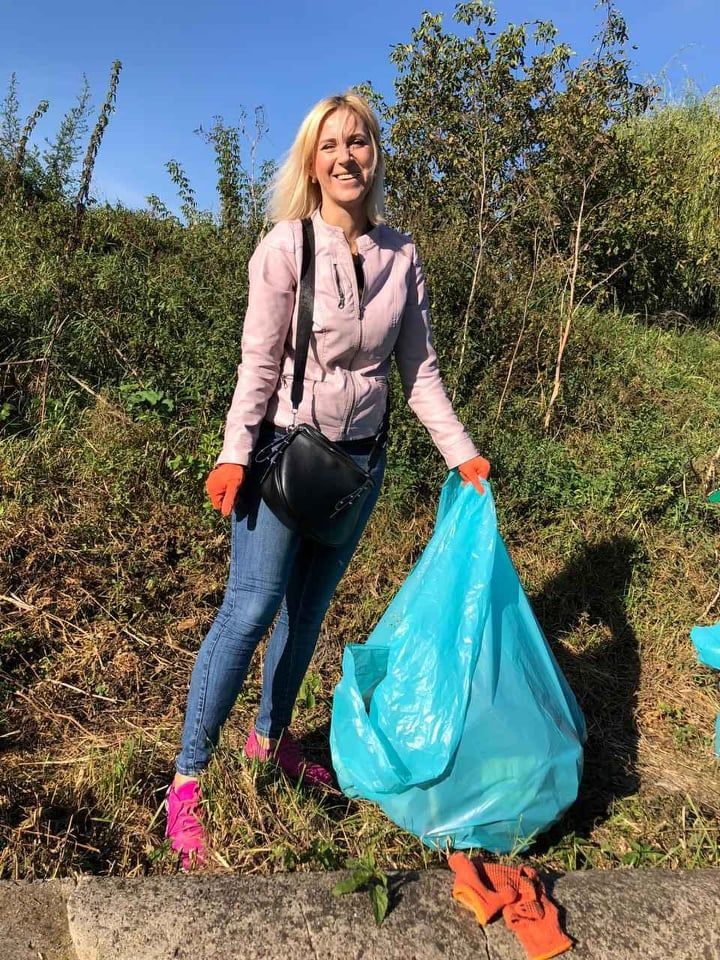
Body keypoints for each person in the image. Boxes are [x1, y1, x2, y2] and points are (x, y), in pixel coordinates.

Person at [165, 92, 491, 869]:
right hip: (283, 459)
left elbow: (419, 371)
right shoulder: (286, 246)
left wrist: (462, 454)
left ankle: (269, 742)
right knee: (250, 610)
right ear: (313, 163)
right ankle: (187, 781)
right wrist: (234, 452)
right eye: (331, 145)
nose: (347, 157)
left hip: (359, 467)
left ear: (376, 155)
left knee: (306, 617)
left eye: (360, 142)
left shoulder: (402, 255)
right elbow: (258, 362)